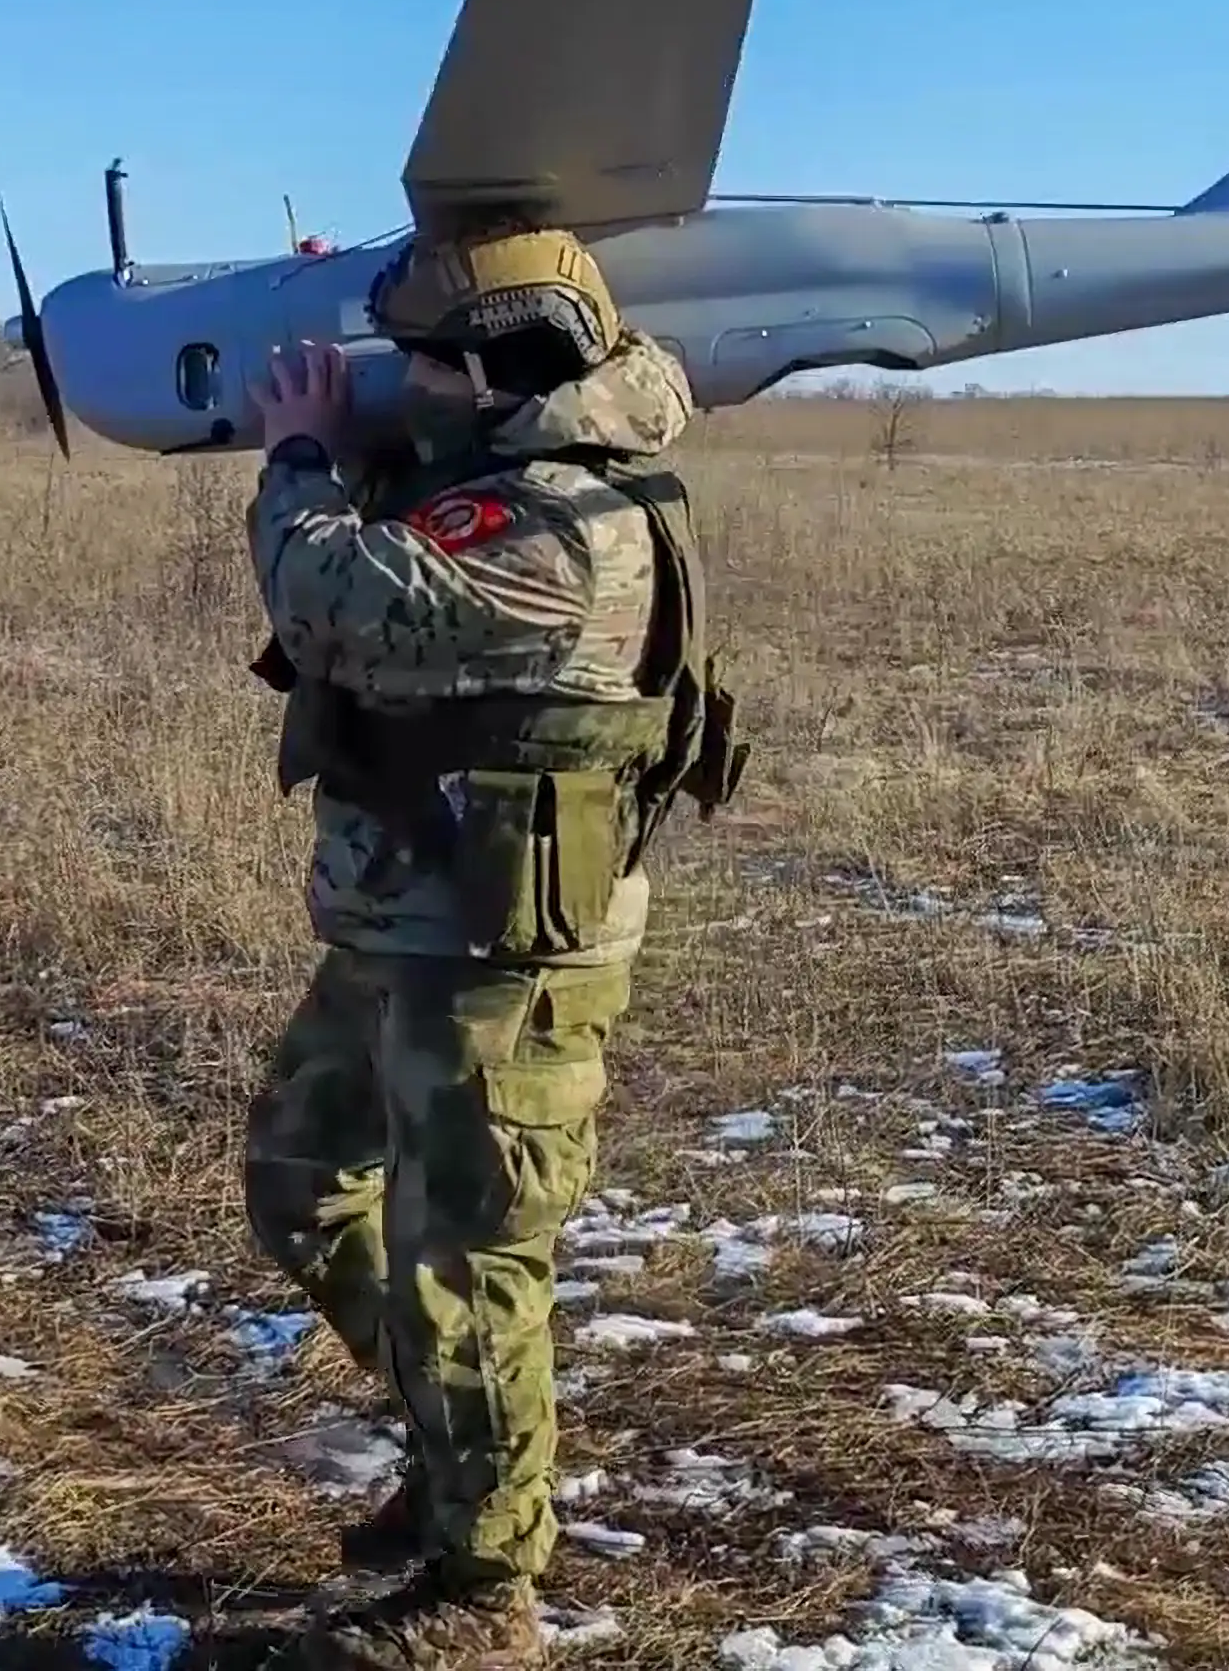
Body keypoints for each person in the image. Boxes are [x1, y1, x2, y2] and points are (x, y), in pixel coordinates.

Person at [235, 222, 742, 1671]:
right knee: (300, 1184)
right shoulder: (513, 470)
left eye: (421, 361)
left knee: (466, 1265)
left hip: (502, 960)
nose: (401, 382)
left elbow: (335, 601)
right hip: (416, 919)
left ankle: (484, 1590)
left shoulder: (565, 524)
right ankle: (463, 1457)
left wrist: (302, 451)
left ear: (489, 374)